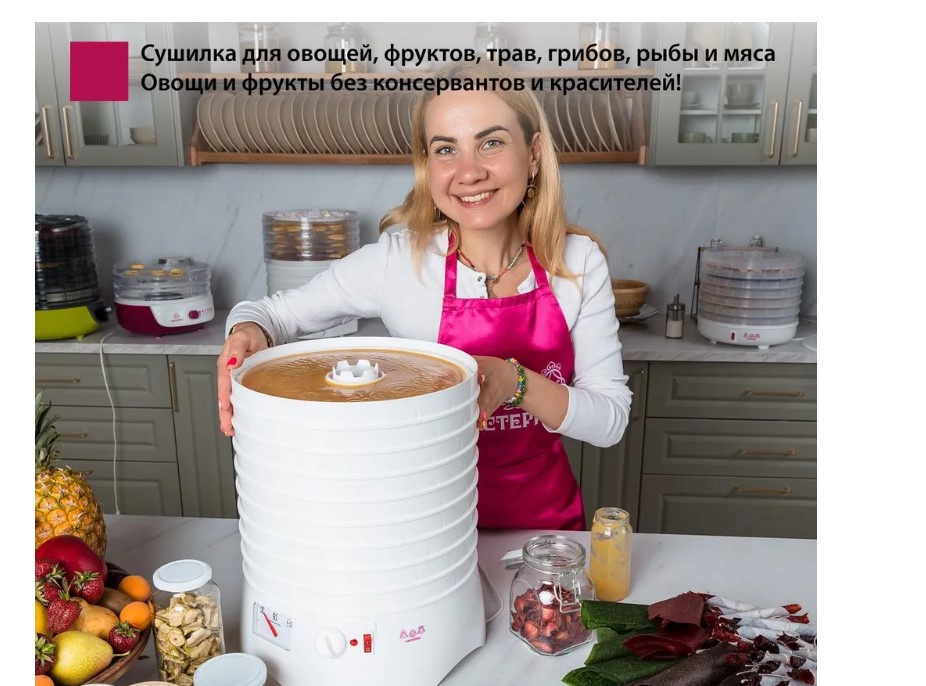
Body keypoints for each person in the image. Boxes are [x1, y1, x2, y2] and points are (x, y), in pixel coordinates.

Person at [217, 63, 632, 531]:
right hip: (422, 532)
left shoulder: (576, 262)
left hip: (544, 537)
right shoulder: (398, 262)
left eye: (491, 143)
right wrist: (246, 332)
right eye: (446, 150)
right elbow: (269, 314)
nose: (468, 172)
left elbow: (610, 421)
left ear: (533, 153)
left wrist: (515, 382)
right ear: (427, 166)